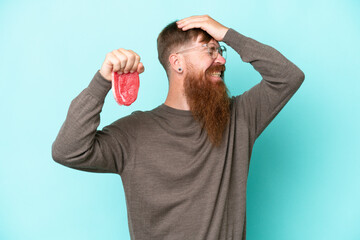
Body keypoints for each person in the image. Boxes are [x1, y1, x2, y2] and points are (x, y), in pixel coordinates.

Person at [52, 15, 305, 240]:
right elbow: (68, 150)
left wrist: (227, 34)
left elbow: (288, 77)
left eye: (221, 49)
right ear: (177, 62)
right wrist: (102, 81)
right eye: (210, 50)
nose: (221, 60)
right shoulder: (132, 133)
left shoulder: (240, 117)